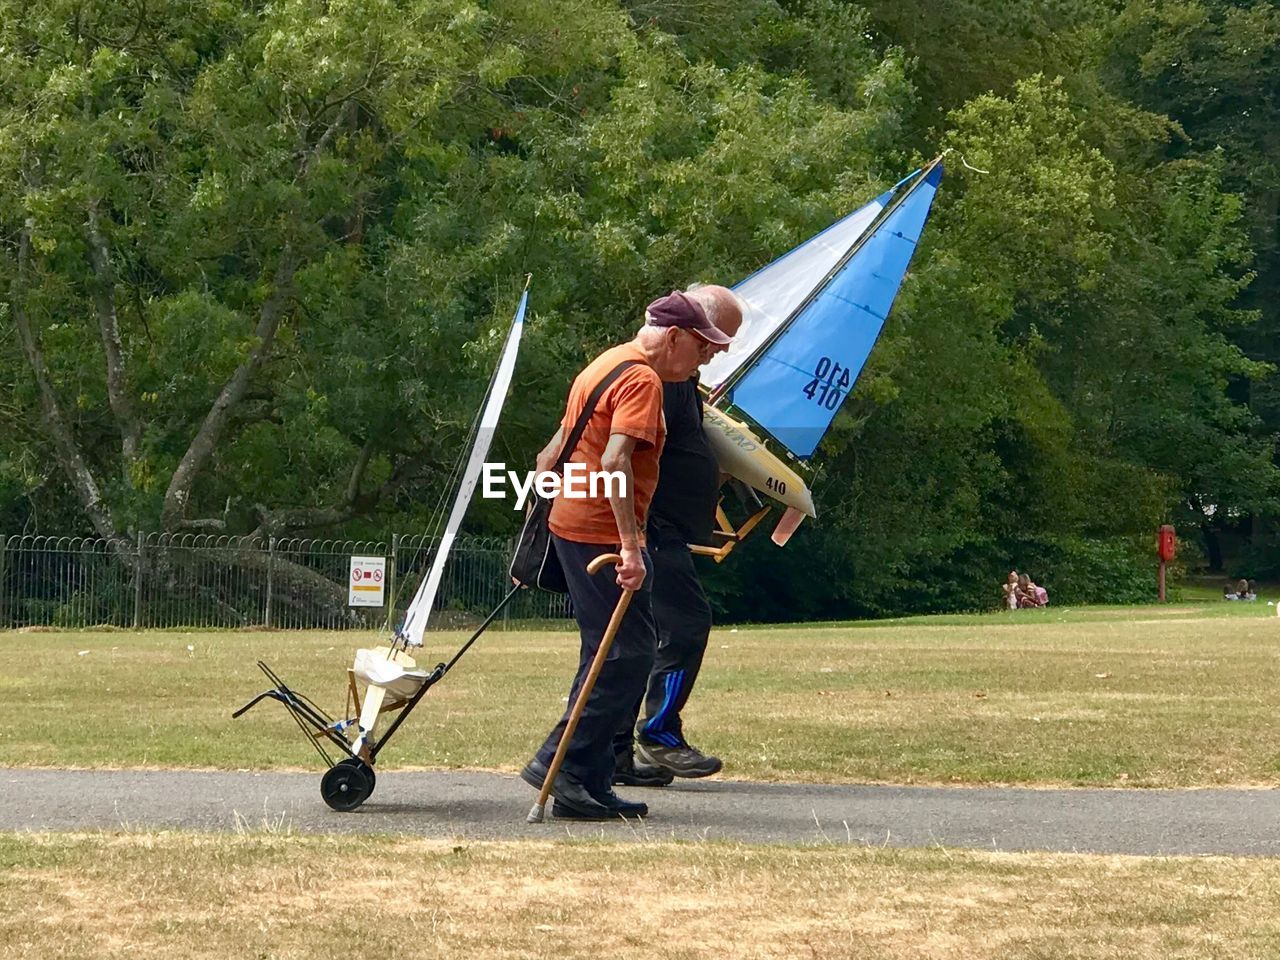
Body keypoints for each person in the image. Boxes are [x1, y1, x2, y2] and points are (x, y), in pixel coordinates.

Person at [519, 288, 734, 821]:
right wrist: (631, 546)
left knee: (609, 651)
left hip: (574, 522)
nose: (708, 357)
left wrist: (549, 503)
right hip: (601, 532)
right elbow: (616, 463)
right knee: (627, 654)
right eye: (703, 347)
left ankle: (590, 781)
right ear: (675, 337)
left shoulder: (608, 361)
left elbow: (554, 450)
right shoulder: (642, 379)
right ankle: (562, 764)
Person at [611, 286, 745, 787]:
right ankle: (660, 731)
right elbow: (620, 454)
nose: (720, 350)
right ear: (683, 333)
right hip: (652, 529)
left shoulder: (679, 379)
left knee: (638, 640)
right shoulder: (656, 379)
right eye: (714, 339)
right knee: (685, 625)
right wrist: (632, 536)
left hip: (660, 528)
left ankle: (616, 754)